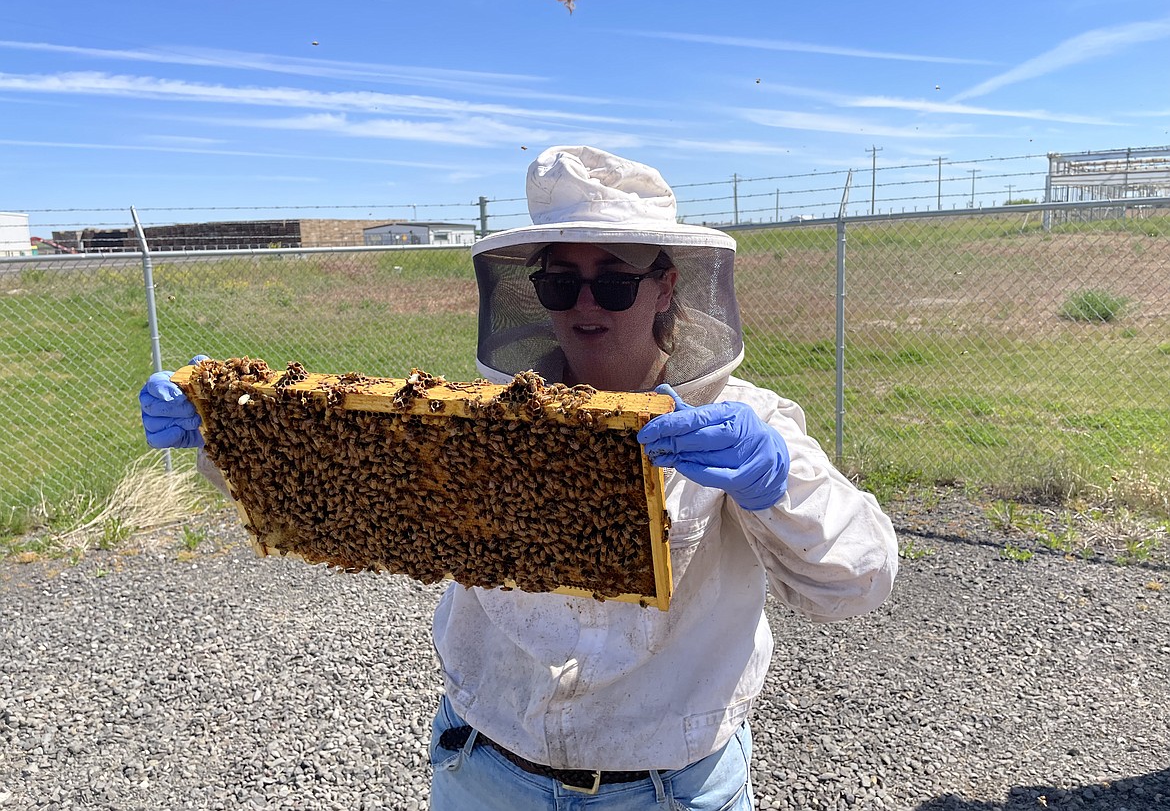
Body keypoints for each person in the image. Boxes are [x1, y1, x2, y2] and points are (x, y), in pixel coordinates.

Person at [140, 146, 899, 810]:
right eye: (560, 283)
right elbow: (338, 484)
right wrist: (223, 437)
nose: (584, 304)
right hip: (483, 772)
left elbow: (859, 581)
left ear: (667, 287)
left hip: (671, 789)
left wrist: (776, 482)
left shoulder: (744, 422)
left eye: (613, 282)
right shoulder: (479, 424)